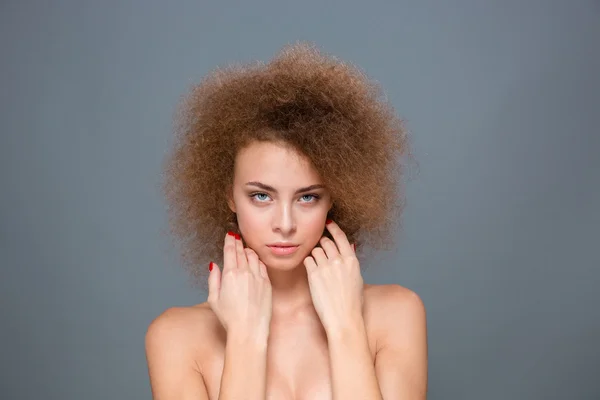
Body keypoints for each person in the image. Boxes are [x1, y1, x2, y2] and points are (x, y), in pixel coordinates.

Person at [145, 42, 428, 399]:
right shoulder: (175, 337)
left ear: (335, 197)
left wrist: (345, 327)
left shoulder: (396, 314)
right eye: (261, 196)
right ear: (228, 194)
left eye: (307, 197)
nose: (285, 223)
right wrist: (246, 338)